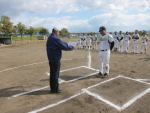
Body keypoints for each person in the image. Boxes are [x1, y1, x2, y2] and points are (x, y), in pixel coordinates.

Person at [46, 27, 75, 94]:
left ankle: (53, 88)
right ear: (56, 32)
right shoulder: (55, 38)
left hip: (51, 58)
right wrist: (72, 47)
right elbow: (64, 46)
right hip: (55, 58)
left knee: (53, 74)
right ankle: (55, 89)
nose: (59, 33)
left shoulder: (50, 37)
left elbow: (61, 43)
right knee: (55, 74)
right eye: (58, 32)